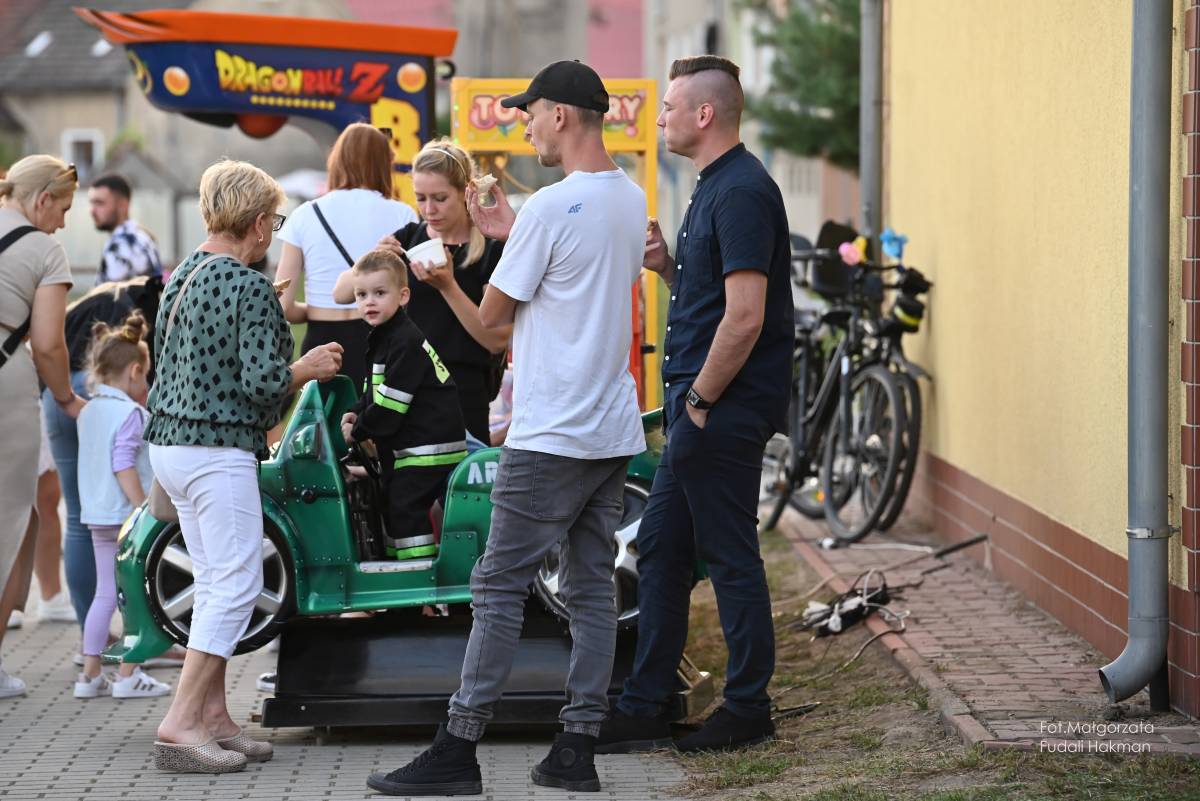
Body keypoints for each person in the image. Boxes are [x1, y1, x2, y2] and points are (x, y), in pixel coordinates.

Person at [366, 59, 647, 797]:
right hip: (608, 427)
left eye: (530, 113)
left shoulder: (551, 206)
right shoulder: (629, 198)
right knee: (590, 589)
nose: (525, 127)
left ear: (561, 114)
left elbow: (493, 327)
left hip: (550, 430)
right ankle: (576, 748)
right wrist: (509, 231)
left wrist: (445, 281)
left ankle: (457, 748)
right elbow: (576, 285)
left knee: (495, 585)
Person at [596, 55, 794, 754]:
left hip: (720, 408)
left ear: (704, 114)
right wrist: (668, 270)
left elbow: (745, 316)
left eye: (670, 107)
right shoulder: (713, 186)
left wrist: (702, 400)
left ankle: (748, 707)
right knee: (661, 548)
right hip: (700, 406)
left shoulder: (741, 192)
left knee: (730, 555)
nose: (661, 119)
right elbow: (713, 299)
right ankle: (647, 703)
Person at [146, 159, 342, 773]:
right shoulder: (249, 285)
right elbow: (262, 385)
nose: (272, 234)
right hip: (217, 449)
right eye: (274, 222)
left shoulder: (183, 274)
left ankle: (214, 718)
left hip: (172, 446)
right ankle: (182, 723)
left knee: (213, 583)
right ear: (257, 223)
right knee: (235, 586)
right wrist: (305, 368)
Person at [334, 138, 510, 442]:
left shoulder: (490, 251)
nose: (429, 210)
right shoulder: (408, 239)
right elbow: (341, 294)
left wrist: (448, 286)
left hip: (462, 392)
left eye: (440, 198)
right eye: (420, 198)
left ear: (465, 192)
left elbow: (496, 340)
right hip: (403, 386)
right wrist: (375, 255)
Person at [0, 155, 86, 698]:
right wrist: (66, 398)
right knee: (12, 519)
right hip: (5, 384)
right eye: (64, 209)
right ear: (42, 200)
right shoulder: (43, 249)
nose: (63, 222)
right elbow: (50, 344)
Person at [41, 275, 164, 631]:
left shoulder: (90, 302)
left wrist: (64, 395)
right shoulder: (139, 312)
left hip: (61, 390)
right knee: (129, 576)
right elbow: (123, 461)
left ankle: (90, 645)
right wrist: (142, 506)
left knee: (77, 521)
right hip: (99, 389)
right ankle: (137, 642)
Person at [339, 249, 467, 560]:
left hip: (428, 448)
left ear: (403, 295)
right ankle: (397, 568)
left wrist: (358, 430)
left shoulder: (404, 341)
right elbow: (376, 393)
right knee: (391, 503)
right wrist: (355, 410)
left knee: (405, 506)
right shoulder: (385, 337)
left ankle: (417, 574)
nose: (369, 302)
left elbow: (390, 408)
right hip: (412, 446)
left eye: (379, 293)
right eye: (361, 295)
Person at [276, 123, 418, 393]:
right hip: (381, 337)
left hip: (322, 344)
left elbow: (282, 304)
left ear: (337, 160)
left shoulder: (305, 214)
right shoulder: (403, 214)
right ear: (383, 163)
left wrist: (316, 309)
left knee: (324, 419)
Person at [73, 310, 171, 700]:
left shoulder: (88, 410)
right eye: (145, 376)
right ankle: (129, 675)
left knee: (103, 595)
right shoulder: (130, 413)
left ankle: (89, 676)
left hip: (96, 515)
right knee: (138, 595)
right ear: (134, 371)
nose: (146, 383)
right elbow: (122, 464)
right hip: (125, 516)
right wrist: (142, 508)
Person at [90, 173, 163, 285]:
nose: (92, 211)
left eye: (100, 203)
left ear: (122, 205)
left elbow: (112, 294)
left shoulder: (119, 243)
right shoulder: (144, 236)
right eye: (91, 203)